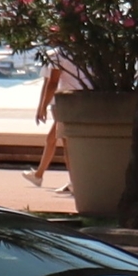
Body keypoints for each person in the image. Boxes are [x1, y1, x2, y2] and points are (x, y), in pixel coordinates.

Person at [31, 51, 86, 183]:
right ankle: (39, 174)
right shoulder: (83, 51)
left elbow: (50, 83)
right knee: (54, 137)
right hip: (84, 99)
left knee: (66, 142)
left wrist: (42, 106)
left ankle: (74, 181)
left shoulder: (56, 55)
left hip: (66, 102)